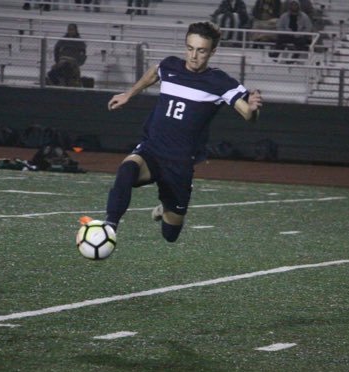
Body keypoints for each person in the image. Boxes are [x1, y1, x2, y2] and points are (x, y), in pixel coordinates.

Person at [99, 21, 262, 244]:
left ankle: (166, 207)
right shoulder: (171, 66)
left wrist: (252, 110)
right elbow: (154, 72)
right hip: (152, 150)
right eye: (190, 48)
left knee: (170, 235)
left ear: (213, 51)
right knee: (127, 169)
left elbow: (247, 115)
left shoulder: (220, 82)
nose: (194, 56)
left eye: (201, 50)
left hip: (179, 163)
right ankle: (109, 227)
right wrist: (129, 93)